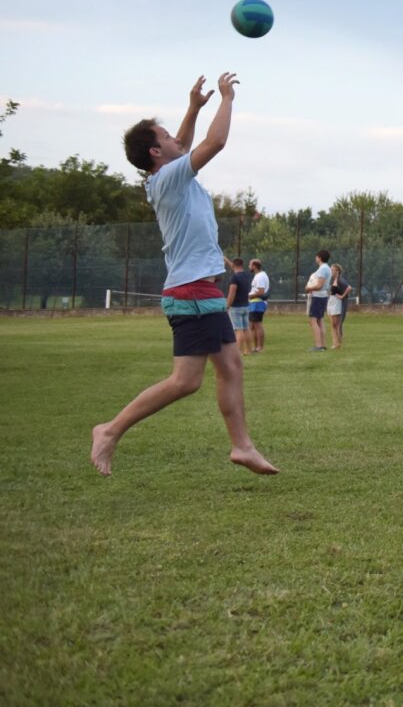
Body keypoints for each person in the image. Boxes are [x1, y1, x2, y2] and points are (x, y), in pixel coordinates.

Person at [93, 74, 277, 476]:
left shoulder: (169, 174)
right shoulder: (170, 178)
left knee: (231, 367)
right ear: (158, 151)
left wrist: (194, 106)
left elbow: (186, 143)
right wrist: (226, 99)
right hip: (191, 293)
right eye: (168, 137)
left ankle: (242, 446)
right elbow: (215, 143)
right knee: (185, 381)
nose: (179, 139)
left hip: (201, 292)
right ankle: (109, 430)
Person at [306, 249, 331, 351]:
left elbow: (319, 285)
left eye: (316, 256)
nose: (315, 258)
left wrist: (308, 288)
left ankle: (318, 345)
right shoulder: (326, 268)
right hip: (322, 296)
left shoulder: (322, 269)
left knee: (313, 320)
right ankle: (322, 345)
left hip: (318, 296)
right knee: (320, 320)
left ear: (320, 257)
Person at [225, 257, 252, 344]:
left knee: (238, 330)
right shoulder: (247, 276)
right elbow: (232, 266)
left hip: (236, 307)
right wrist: (225, 258)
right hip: (246, 305)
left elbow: (232, 293)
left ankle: (239, 351)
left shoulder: (234, 278)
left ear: (234, 265)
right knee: (246, 328)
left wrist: (227, 306)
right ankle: (248, 349)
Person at [246, 258, 269, 353]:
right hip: (254, 303)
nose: (249, 266)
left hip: (257, 303)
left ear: (254, 266)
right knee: (252, 326)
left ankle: (260, 347)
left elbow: (261, 291)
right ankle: (255, 347)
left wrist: (249, 295)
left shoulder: (259, 277)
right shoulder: (259, 276)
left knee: (257, 325)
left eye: (250, 265)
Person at [328, 262, 352, 349]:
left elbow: (349, 288)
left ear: (337, 271)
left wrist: (342, 296)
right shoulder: (333, 280)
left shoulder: (340, 280)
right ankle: (335, 343)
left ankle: (339, 343)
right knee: (333, 324)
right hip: (331, 303)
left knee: (338, 323)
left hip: (338, 304)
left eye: (333, 270)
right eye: (331, 269)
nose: (331, 271)